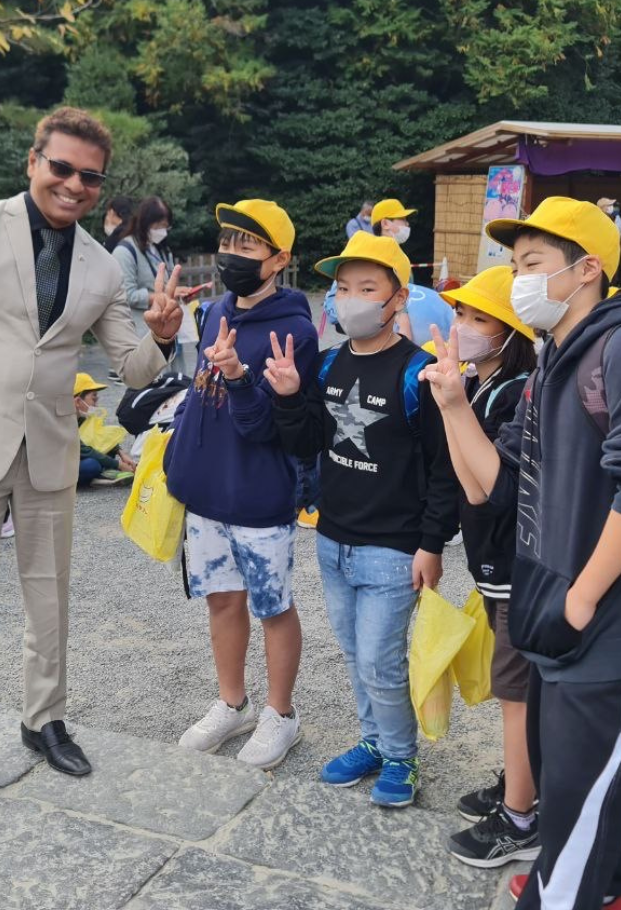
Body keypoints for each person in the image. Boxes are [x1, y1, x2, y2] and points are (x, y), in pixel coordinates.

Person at [0, 106, 183, 827]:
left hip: (51, 448)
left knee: (49, 598)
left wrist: (162, 336)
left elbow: (131, 366)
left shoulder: (99, 263)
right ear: (33, 162)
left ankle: (44, 719)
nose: (74, 185)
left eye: (90, 177)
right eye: (61, 168)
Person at [420, 197, 621, 909]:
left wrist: (581, 600)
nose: (518, 280)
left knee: (580, 818)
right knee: (569, 802)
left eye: (532, 263)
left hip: (595, 633)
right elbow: (493, 488)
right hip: (550, 623)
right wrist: (453, 404)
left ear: (587, 269)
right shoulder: (549, 362)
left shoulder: (612, 349)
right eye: (513, 265)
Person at [266, 231, 458, 808]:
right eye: (343, 288)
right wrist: (289, 396)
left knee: (380, 661)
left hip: (394, 550)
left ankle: (401, 755)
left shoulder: (420, 373)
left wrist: (432, 544)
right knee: (356, 653)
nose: (350, 299)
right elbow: (307, 444)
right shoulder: (328, 364)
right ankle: (374, 740)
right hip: (334, 541)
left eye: (367, 288)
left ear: (398, 298)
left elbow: (444, 468)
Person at [164, 199, 318, 771]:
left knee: (273, 606)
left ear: (278, 259)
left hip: (259, 494)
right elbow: (195, 393)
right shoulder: (213, 312)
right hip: (207, 491)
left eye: (246, 245)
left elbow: (268, 428)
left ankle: (281, 713)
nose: (231, 254)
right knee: (222, 600)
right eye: (227, 242)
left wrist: (238, 376)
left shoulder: (295, 331)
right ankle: (233, 702)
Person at [430, 267, 540, 869]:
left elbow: (484, 491)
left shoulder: (515, 390)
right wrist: (453, 403)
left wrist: (453, 406)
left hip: (517, 568)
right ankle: (522, 785)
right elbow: (464, 479)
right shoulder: (483, 383)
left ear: (510, 332)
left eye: (480, 318)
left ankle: (521, 816)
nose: (464, 326)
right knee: (517, 690)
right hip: (497, 564)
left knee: (515, 692)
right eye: (460, 313)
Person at [113, 195, 191, 372]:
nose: (162, 231)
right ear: (145, 223)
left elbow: (167, 284)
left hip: (170, 329)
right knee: (152, 380)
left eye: (166, 226)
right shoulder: (125, 251)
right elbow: (127, 295)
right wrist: (160, 297)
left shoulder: (160, 248)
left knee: (177, 380)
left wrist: (179, 292)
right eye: (158, 226)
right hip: (142, 332)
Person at [371, 198, 454, 346]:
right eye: (402, 219)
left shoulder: (396, 253)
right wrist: (403, 322)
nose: (407, 224)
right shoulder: (381, 254)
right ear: (385, 223)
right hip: (394, 333)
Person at [74, 372, 135, 486]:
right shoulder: (64, 422)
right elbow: (85, 450)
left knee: (106, 452)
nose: (96, 405)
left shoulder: (81, 416)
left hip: (74, 458)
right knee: (91, 465)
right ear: (78, 401)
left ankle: (103, 474)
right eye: (94, 398)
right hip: (56, 468)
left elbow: (101, 436)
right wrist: (119, 465)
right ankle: (101, 475)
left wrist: (121, 453)